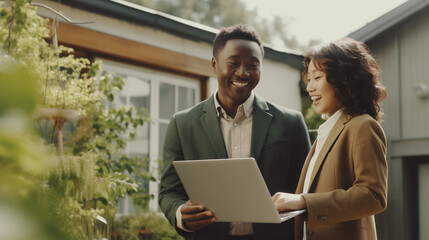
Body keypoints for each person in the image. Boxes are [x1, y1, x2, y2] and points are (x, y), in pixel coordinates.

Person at [158, 24, 311, 240]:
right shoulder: (182, 124)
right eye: (233, 63)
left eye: (252, 65)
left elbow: (307, 190)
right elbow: (168, 191)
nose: (243, 72)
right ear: (214, 64)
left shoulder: (291, 122)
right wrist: (180, 213)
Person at [272, 37, 388, 240]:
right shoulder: (326, 132)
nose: (309, 88)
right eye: (308, 80)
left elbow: (373, 196)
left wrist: (303, 201)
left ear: (343, 78)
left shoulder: (362, 125)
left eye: (317, 78)